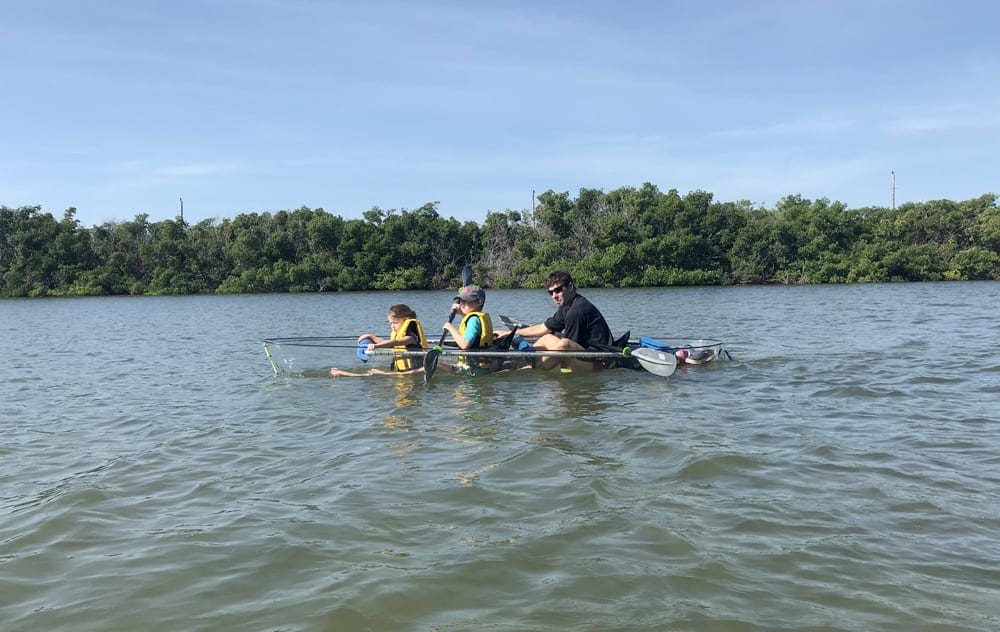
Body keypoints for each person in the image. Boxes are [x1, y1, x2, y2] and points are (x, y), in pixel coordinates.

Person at [502, 270, 617, 371]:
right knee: (547, 337)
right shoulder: (567, 306)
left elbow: (570, 349)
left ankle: (525, 369)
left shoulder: (577, 311)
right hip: (584, 353)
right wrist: (511, 333)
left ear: (570, 287)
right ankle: (526, 359)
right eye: (551, 292)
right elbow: (543, 328)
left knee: (563, 344)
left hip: (600, 361)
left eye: (558, 290)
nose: (554, 296)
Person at [329, 304, 427, 377]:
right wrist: (371, 337)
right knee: (375, 374)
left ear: (405, 320)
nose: (392, 326)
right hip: (402, 371)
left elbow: (396, 342)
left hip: (415, 370)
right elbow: (390, 342)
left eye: (395, 323)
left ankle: (341, 374)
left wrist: (376, 346)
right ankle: (341, 373)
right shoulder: (400, 334)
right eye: (390, 323)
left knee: (376, 374)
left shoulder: (411, 337)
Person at [439, 284, 495, 376]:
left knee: (431, 365)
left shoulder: (473, 320)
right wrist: (461, 310)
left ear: (479, 302)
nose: (462, 303)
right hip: (481, 368)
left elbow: (464, 345)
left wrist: (450, 327)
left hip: (472, 370)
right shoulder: (476, 317)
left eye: (466, 301)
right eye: (461, 301)